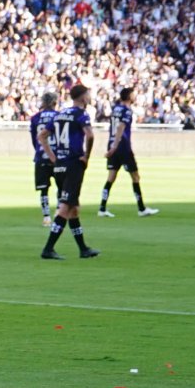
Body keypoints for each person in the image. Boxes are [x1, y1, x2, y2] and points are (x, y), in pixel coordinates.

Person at [38, 84, 100, 260]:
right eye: (88, 94)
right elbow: (90, 135)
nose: (89, 98)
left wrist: (53, 158)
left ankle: (83, 249)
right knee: (65, 207)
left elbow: (42, 136)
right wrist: (86, 156)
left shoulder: (60, 114)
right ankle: (48, 249)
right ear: (82, 97)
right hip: (73, 164)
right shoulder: (81, 114)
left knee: (73, 208)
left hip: (59, 166)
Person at [98, 86, 159, 218]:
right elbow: (121, 127)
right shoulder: (127, 110)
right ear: (129, 96)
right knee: (135, 177)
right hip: (122, 147)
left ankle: (102, 208)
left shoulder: (115, 109)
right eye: (133, 94)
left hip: (112, 144)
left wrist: (111, 146)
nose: (135, 96)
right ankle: (141, 208)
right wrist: (115, 146)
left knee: (111, 177)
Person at [30, 92, 59, 227]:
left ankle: (46, 217)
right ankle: (59, 212)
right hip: (57, 155)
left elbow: (34, 140)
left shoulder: (35, 118)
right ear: (54, 102)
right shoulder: (59, 116)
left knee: (43, 189)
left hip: (41, 156)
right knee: (62, 186)